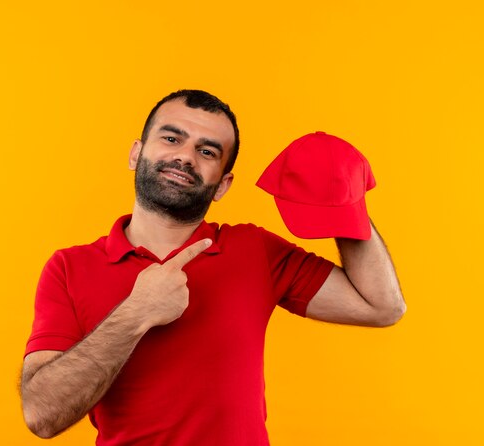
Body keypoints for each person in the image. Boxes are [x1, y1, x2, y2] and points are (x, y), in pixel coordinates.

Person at [20, 90, 406, 445]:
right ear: (136, 153)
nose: (186, 157)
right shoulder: (69, 267)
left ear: (222, 184)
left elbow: (381, 306)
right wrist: (136, 312)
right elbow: (42, 414)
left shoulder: (255, 250)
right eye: (171, 139)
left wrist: (344, 201)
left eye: (208, 152)